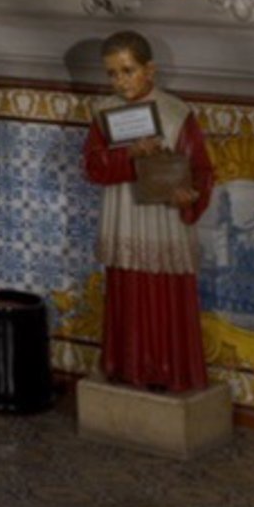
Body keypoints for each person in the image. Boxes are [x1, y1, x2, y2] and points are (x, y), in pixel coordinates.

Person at [81, 30, 215, 394]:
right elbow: (93, 167)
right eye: (112, 73)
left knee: (164, 293)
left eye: (128, 70)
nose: (120, 81)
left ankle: (169, 370)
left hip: (163, 218)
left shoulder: (175, 113)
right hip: (124, 213)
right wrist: (129, 154)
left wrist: (191, 196)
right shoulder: (104, 113)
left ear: (149, 70)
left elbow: (201, 169)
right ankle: (125, 367)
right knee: (127, 292)